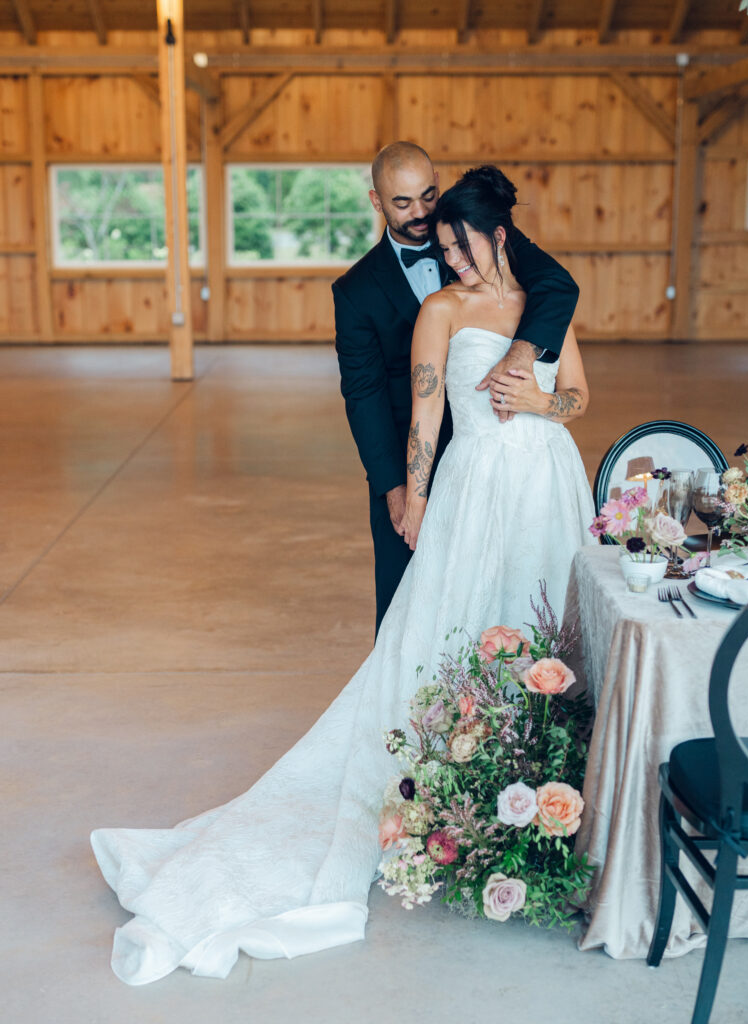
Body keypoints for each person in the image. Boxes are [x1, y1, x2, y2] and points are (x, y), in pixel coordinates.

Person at [90, 165, 595, 986]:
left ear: (497, 236)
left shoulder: (544, 299)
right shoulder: (438, 310)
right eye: (444, 247)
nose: (455, 262)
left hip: (548, 483)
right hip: (473, 492)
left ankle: (541, 775)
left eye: (464, 247)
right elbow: (422, 416)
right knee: (458, 629)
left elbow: (576, 393)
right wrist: (416, 504)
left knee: (546, 623)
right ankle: (463, 776)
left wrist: (541, 405)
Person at [333, 141, 579, 634]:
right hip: (414, 457)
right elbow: (364, 396)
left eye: (428, 194)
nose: (422, 212)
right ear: (377, 202)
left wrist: (521, 355)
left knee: (525, 589)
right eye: (403, 203)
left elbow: (558, 286)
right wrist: (397, 488)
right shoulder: (356, 291)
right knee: (412, 610)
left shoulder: (471, 235)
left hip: (515, 462)